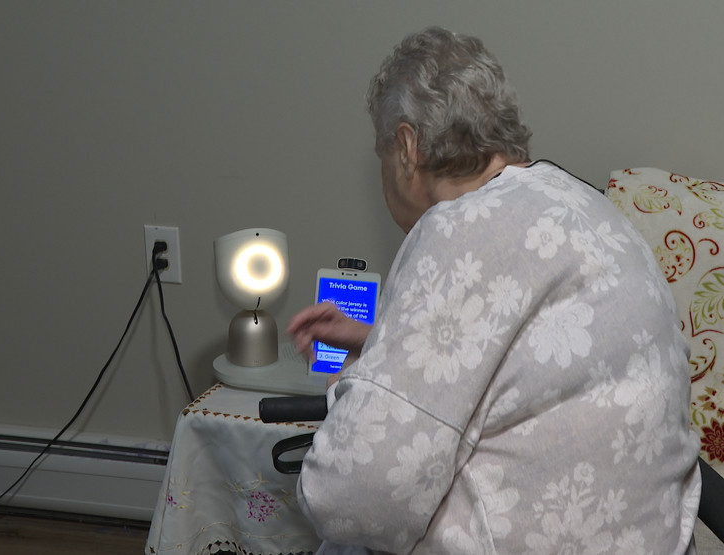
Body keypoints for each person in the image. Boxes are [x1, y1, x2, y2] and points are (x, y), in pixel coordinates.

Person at [287, 26, 701, 554]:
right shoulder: (582, 205)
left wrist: (356, 387)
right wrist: (381, 343)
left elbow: (350, 498)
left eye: (383, 154)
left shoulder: (459, 230)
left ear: (408, 148)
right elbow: (527, 370)